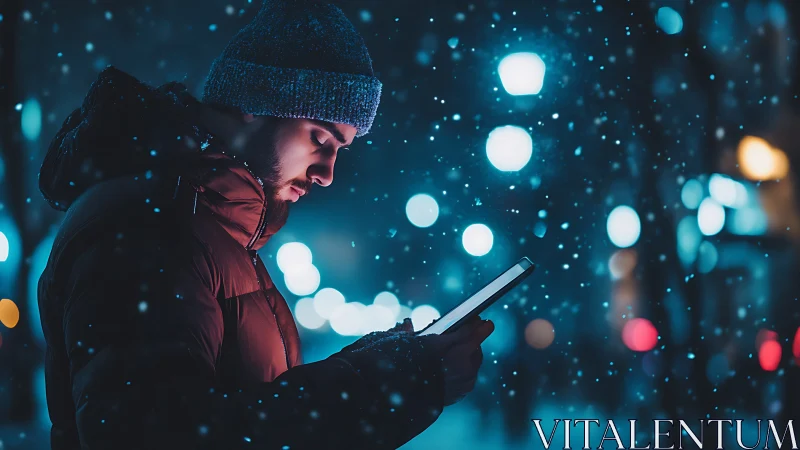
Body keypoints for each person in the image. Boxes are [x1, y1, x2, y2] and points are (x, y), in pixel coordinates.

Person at [36, 0, 494, 449]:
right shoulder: (148, 225)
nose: (327, 173)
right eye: (320, 137)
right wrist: (395, 383)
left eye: (341, 149)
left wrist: (384, 361)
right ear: (255, 101)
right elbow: (163, 434)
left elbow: (243, 406)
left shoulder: (210, 227)